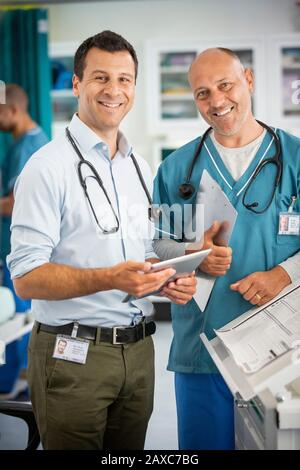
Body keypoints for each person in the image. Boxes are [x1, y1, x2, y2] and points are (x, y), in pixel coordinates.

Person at [7, 31, 197, 450]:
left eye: (124, 79)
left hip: (138, 352)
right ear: (76, 84)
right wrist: (111, 278)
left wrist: (169, 276)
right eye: (100, 78)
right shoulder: (46, 167)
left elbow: (144, 250)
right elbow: (26, 277)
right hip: (72, 354)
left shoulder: (139, 166)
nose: (114, 90)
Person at [153, 47, 300, 450]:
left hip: (286, 352)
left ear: (248, 80)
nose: (216, 101)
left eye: (225, 85)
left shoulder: (296, 158)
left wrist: (284, 274)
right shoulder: (177, 169)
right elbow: (158, 245)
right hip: (204, 348)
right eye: (202, 93)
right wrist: (190, 254)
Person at [0, 84, 48, 395]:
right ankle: (21, 383)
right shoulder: (21, 143)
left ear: (13, 111)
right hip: (15, 250)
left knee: (22, 319)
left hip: (25, 252)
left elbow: (19, 202)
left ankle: (27, 384)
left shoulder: (29, 148)